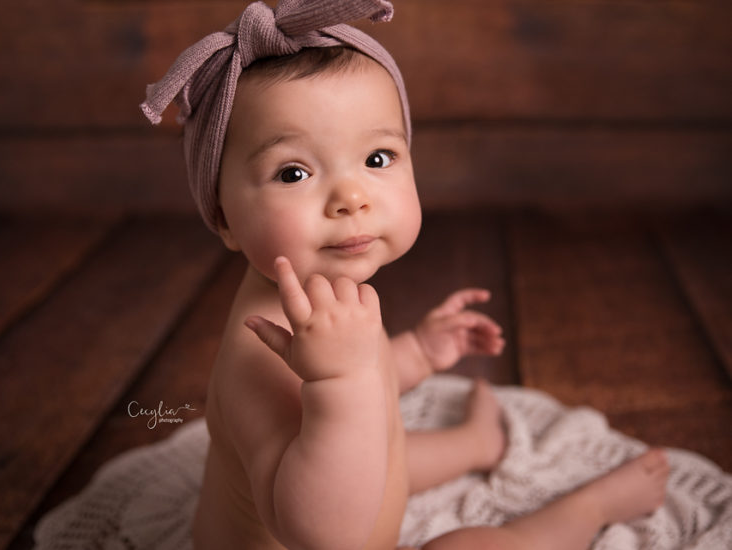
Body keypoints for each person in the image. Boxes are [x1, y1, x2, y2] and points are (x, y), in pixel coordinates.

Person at [141, 2, 669, 549]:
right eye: (293, 172)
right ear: (225, 218)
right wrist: (339, 383)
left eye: (377, 158)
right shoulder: (258, 355)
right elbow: (325, 534)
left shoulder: (323, 295)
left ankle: (474, 443)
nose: (352, 198)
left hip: (356, 480)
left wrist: (414, 352)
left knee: (385, 442)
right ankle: (587, 511)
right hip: (331, 513)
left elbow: (367, 400)